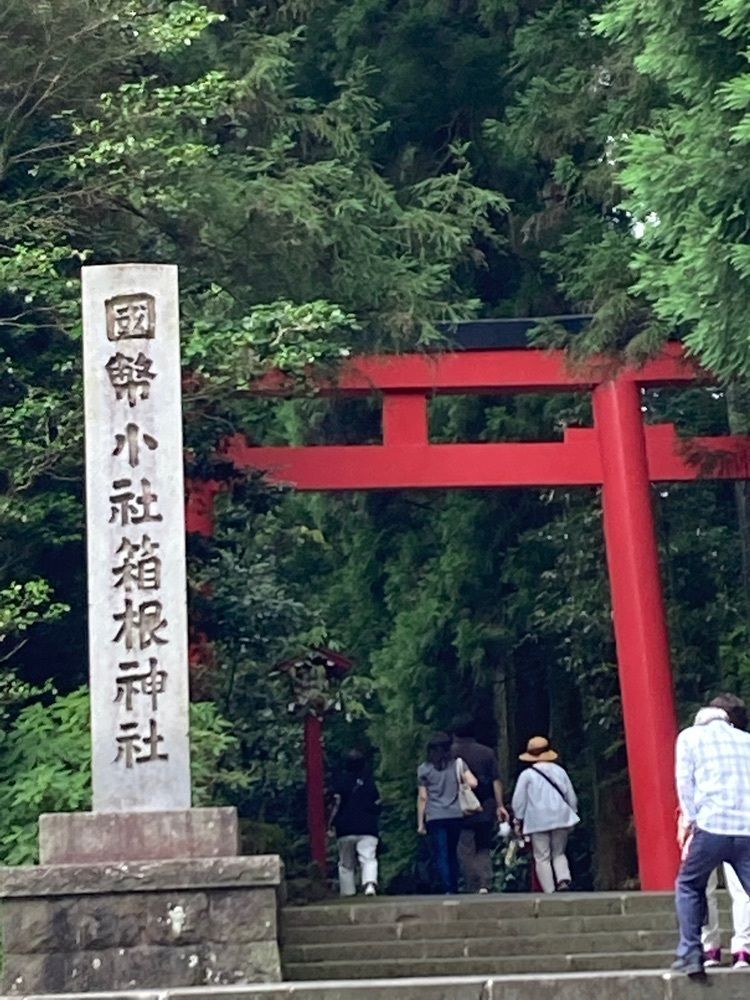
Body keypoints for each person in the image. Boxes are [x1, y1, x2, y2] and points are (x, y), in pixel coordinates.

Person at [672, 693, 750, 976]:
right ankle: (744, 948)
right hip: (747, 830)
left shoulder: (690, 738)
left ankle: (692, 954)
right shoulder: (746, 741)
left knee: (690, 886)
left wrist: (690, 822)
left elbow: (685, 783)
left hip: (712, 827)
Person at [511, 736, 579, 893]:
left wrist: (518, 819)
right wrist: (573, 813)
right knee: (559, 852)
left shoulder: (527, 775)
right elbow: (571, 796)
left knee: (542, 856)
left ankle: (549, 889)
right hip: (561, 816)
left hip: (537, 819)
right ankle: (563, 879)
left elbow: (519, 800)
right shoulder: (559, 771)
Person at [451, 716, 510, 893]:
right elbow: (496, 780)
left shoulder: (450, 754)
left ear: (455, 734)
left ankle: (473, 882)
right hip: (486, 805)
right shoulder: (487, 752)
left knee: (465, 847)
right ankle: (485, 881)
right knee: (483, 846)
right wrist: (500, 805)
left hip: (460, 807)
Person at [417, 732, 478, 894]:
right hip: (454, 813)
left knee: (441, 852)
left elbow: (423, 797)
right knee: (452, 852)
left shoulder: (424, 769)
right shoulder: (457, 764)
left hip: (435, 815)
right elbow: (473, 782)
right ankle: (455, 884)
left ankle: (447, 887)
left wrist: (420, 823)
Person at [328, 750, 380, 897]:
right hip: (367, 826)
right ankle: (369, 884)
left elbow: (336, 804)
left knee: (346, 862)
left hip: (345, 827)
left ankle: (347, 890)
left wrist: (331, 823)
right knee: (368, 857)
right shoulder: (369, 781)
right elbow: (376, 801)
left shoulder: (341, 781)